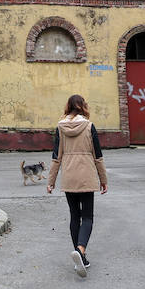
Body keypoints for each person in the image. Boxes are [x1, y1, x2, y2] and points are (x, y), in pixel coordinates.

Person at [45, 93, 107, 277]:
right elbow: (98, 155)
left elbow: (56, 156)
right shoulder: (89, 126)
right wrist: (103, 179)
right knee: (87, 217)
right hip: (87, 176)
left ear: (68, 107)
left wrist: (50, 182)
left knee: (74, 216)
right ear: (83, 107)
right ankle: (80, 250)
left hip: (69, 177)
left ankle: (81, 258)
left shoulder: (60, 127)